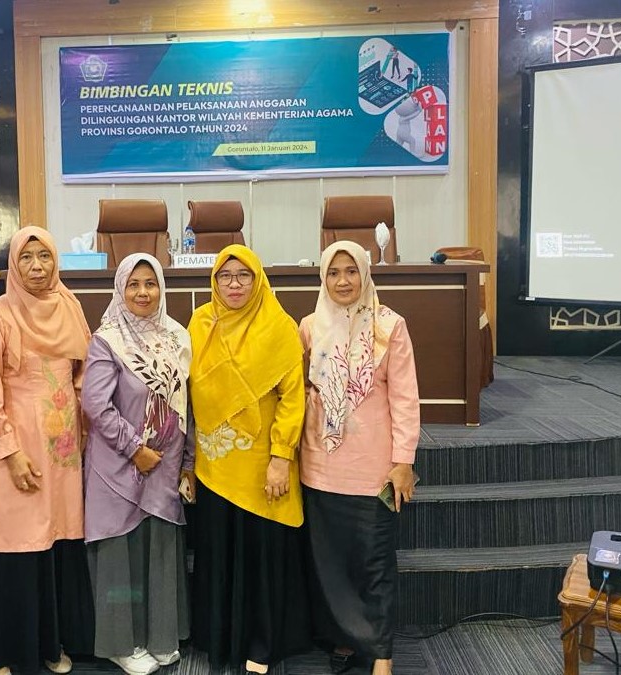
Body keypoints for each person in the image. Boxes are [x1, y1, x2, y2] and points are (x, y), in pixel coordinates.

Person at [0, 226, 95, 675]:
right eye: (27, 257)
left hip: (63, 450)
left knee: (57, 543)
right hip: (20, 448)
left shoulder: (70, 306)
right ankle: (9, 651)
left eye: (45, 256)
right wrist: (9, 450)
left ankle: (51, 643)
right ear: (13, 263)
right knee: (19, 546)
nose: (37, 267)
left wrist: (85, 434)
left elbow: (82, 376)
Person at [188, 244, 311, 673]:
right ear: (214, 281)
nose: (235, 284)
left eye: (244, 275)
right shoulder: (201, 322)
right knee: (219, 552)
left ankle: (261, 643)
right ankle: (220, 639)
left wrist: (281, 457)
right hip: (215, 462)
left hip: (262, 462)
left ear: (257, 279)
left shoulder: (278, 325)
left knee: (260, 554)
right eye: (225, 276)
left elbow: (293, 399)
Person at [299, 241, 420, 675]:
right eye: (333, 273)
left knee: (374, 563)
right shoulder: (310, 327)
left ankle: (381, 653)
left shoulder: (390, 326)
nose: (343, 281)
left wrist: (403, 461)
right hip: (320, 466)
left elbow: (405, 398)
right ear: (323, 278)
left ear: (365, 274)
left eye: (351, 271)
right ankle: (345, 639)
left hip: (375, 471)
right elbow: (299, 393)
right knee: (330, 564)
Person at [81, 253, 195, 675]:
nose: (143, 292)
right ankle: (122, 643)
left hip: (164, 467)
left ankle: (160, 636)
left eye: (151, 283)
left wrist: (188, 462)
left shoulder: (178, 336)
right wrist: (135, 449)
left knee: (158, 551)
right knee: (121, 556)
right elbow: (95, 404)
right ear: (120, 289)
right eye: (134, 284)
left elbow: (187, 404)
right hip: (119, 467)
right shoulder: (107, 339)